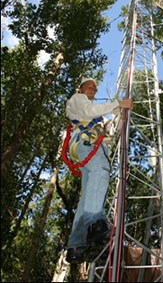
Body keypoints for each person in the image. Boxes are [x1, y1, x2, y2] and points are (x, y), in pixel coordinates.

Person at [65, 77, 133, 263]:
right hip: (86, 144)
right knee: (101, 171)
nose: (91, 90)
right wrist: (118, 103)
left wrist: (121, 111)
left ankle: (76, 245)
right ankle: (94, 222)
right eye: (88, 87)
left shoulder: (98, 119)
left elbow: (113, 130)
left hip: (94, 145)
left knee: (87, 195)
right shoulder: (78, 100)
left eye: (94, 89)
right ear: (80, 89)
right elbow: (90, 110)